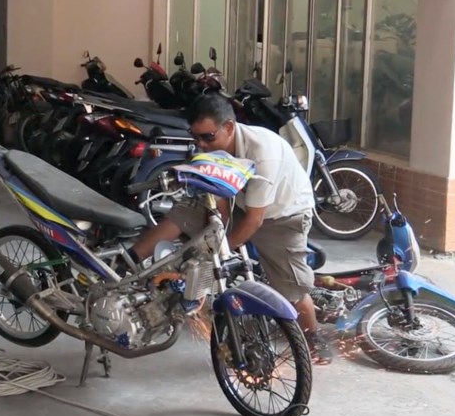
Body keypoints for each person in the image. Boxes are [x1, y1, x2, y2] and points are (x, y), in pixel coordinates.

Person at [128, 94, 333, 364]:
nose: (201, 144)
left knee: (291, 286)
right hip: (243, 203)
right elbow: (221, 203)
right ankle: (125, 265)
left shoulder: (264, 153)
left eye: (208, 137)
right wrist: (213, 237)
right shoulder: (210, 149)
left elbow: (255, 220)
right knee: (184, 213)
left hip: (282, 214)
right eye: (196, 137)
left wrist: (218, 254)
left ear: (228, 127)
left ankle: (313, 335)